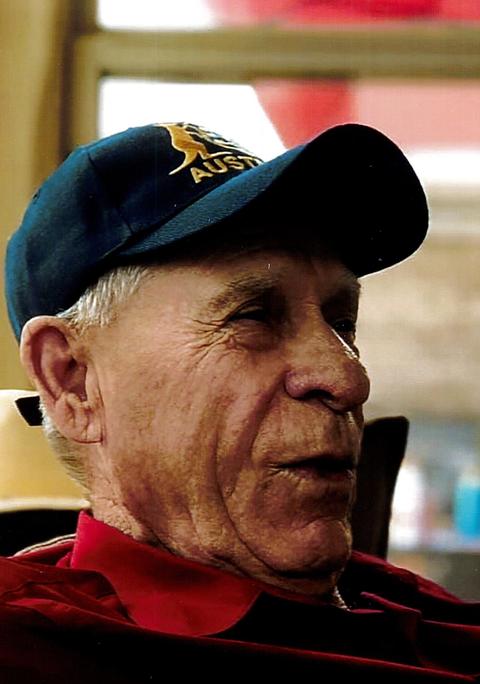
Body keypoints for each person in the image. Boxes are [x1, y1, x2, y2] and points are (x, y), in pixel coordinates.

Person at [2, 122, 479, 682]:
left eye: (342, 321)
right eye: (253, 316)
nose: (348, 378)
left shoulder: (424, 614)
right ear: (74, 382)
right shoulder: (36, 655)